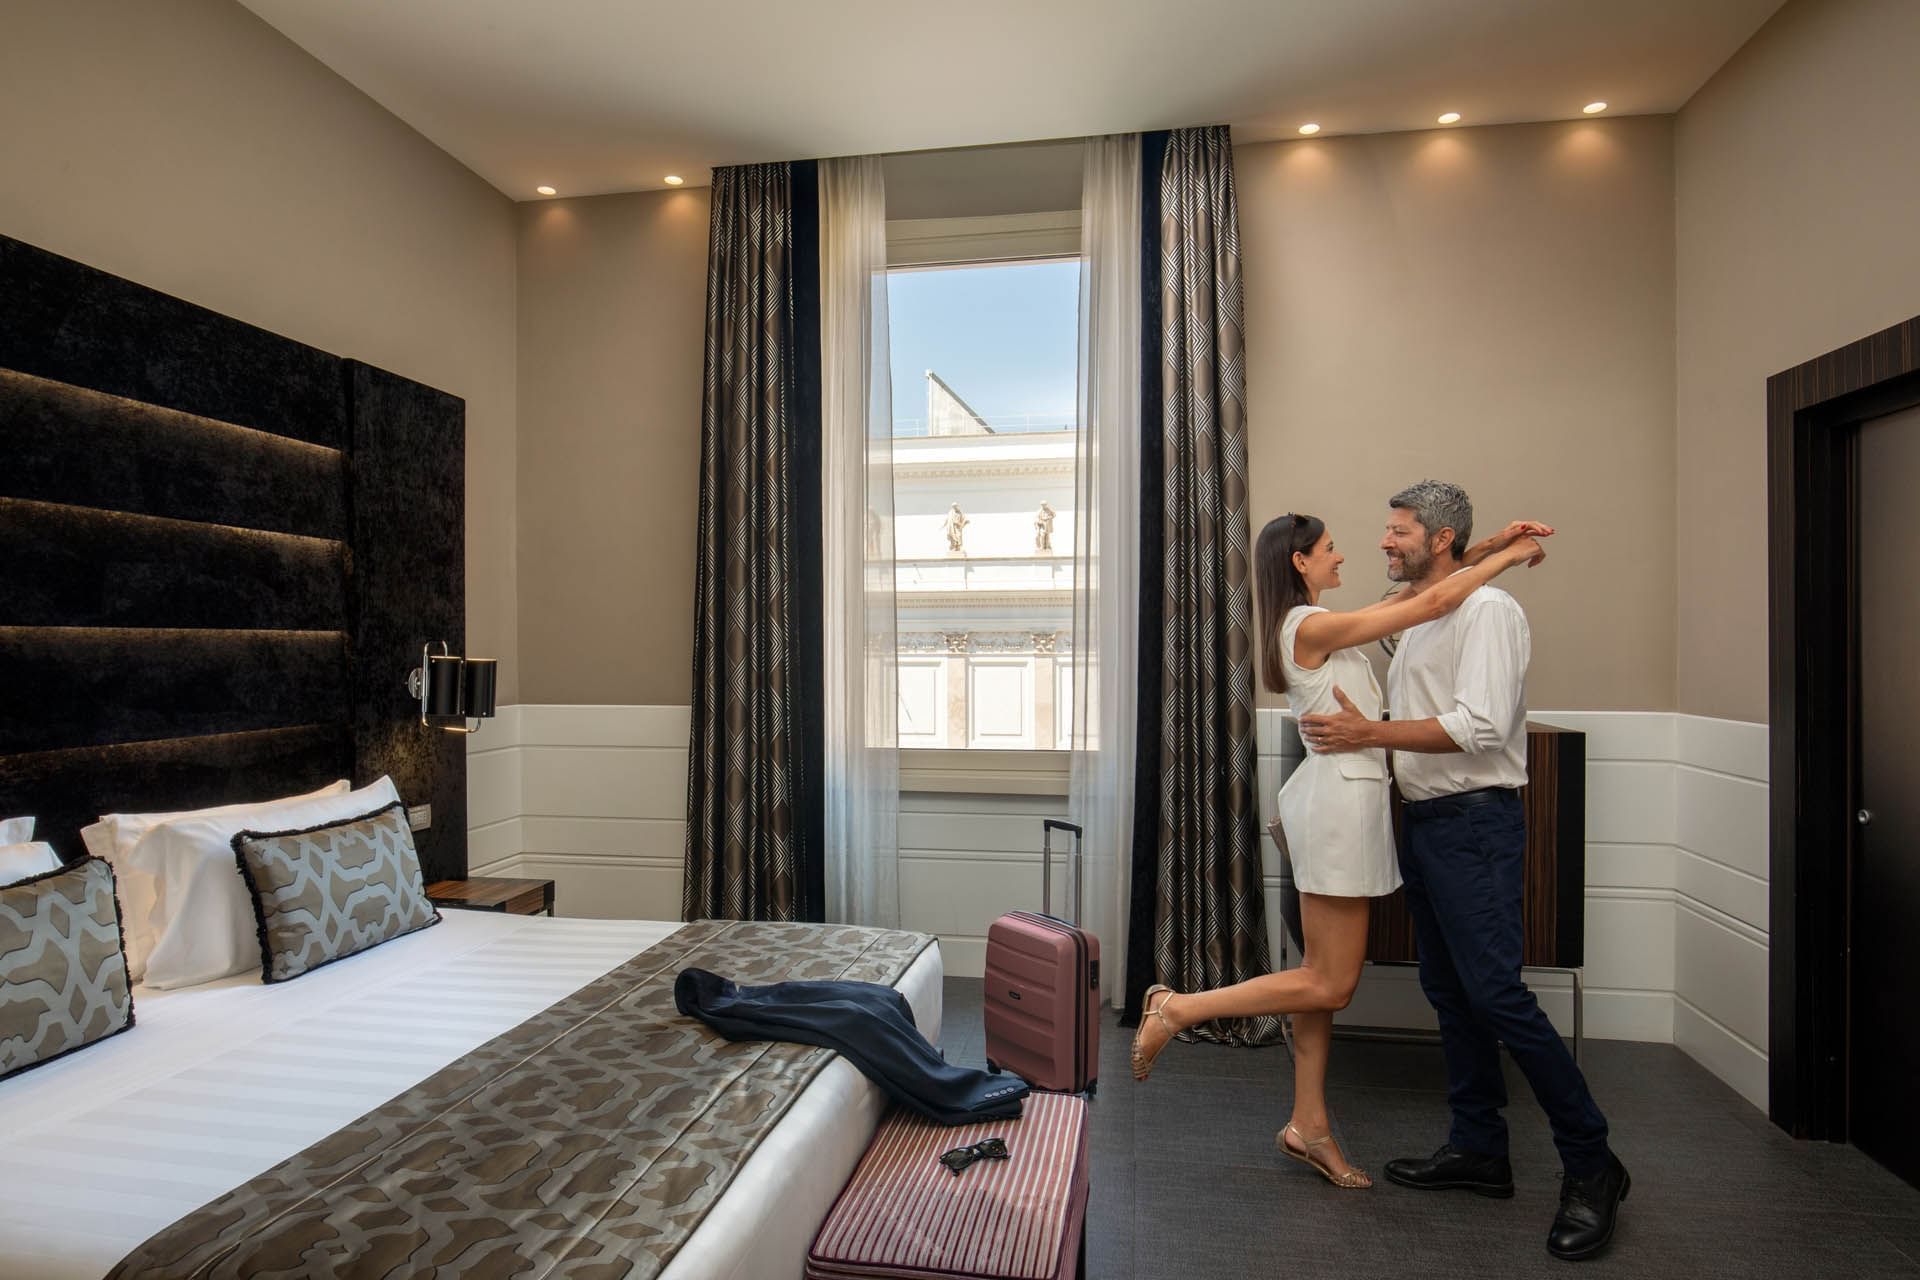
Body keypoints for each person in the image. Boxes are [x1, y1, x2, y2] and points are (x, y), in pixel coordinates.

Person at [1129, 508, 1550, 1190]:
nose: (1343, 556)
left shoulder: (1322, 623)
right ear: (1299, 560)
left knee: (1319, 984)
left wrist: (1492, 543)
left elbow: (1416, 592)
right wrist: (1511, 560)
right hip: (1337, 806)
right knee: (1332, 982)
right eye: (1329, 548)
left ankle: (1309, 1126)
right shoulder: (1311, 626)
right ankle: (1177, 1008)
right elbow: (1438, 599)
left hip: (1343, 799)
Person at [1298, 480, 1627, 1260]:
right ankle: (1480, 1149)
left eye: (1399, 531)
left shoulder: (1490, 614)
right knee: (1450, 992)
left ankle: (1592, 1163)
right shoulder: (1437, 608)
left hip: (1475, 824)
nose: (1385, 542)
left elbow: (1479, 728)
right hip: (1428, 825)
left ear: (1437, 538)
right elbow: (1399, 607)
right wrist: (1490, 553)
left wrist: (1368, 733)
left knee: (1498, 995)